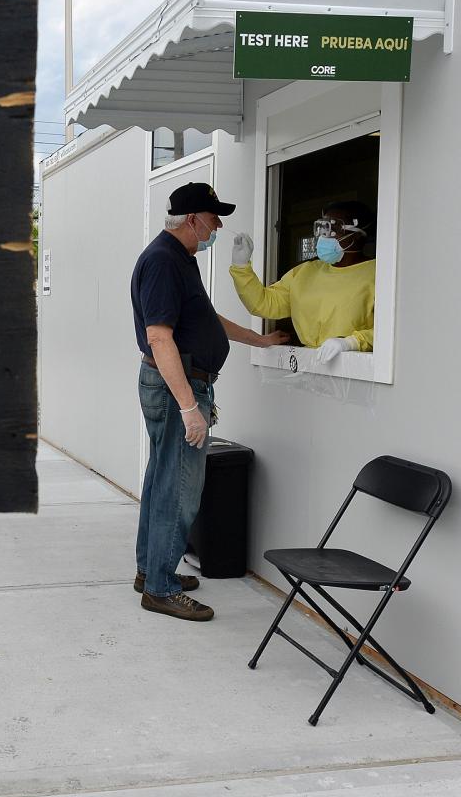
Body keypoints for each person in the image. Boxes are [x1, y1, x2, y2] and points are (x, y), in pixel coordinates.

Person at [130, 182, 288, 622]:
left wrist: (257, 339)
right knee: (179, 489)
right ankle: (160, 588)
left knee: (163, 480)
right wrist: (188, 407)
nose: (218, 226)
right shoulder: (164, 261)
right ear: (193, 220)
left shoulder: (179, 260)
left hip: (176, 384)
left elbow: (205, 318)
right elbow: (160, 337)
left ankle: (151, 572)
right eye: (214, 218)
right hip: (176, 385)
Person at [229, 201, 375, 364]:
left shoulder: (377, 274)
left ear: (356, 234)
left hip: (356, 368)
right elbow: (263, 304)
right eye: (322, 229)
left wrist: (351, 343)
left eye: (332, 230)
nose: (323, 236)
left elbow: (391, 331)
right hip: (310, 365)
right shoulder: (304, 273)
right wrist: (241, 268)